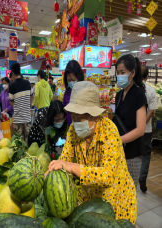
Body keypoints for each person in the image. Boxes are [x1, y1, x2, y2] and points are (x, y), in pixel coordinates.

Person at [48, 81, 137, 225]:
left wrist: (72, 167)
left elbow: (107, 176)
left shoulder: (109, 130)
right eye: (73, 116)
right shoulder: (73, 131)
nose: (75, 122)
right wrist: (52, 173)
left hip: (114, 199)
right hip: (88, 200)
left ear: (94, 116)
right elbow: (64, 159)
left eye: (80, 117)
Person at [115, 54, 147, 188]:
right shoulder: (119, 94)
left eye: (122, 72)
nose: (119, 76)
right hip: (119, 151)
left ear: (132, 73)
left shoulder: (139, 94)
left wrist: (118, 140)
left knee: (128, 191)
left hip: (132, 153)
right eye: (117, 73)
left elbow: (140, 130)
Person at [139, 66, 157, 192]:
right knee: (145, 155)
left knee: (133, 154)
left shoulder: (133, 89)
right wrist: (143, 123)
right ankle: (142, 177)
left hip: (132, 129)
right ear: (147, 77)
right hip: (146, 129)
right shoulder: (151, 90)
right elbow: (152, 110)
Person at [9, 63, 33, 142]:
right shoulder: (28, 83)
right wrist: (26, 104)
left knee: (18, 145)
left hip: (17, 120)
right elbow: (31, 97)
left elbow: (11, 103)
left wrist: (18, 106)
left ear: (13, 72)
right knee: (27, 142)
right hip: (27, 119)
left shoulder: (12, 86)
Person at [63, 60, 84, 127]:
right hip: (70, 128)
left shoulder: (85, 91)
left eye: (73, 80)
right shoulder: (67, 92)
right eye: (69, 80)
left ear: (79, 77)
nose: (71, 82)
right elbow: (64, 109)